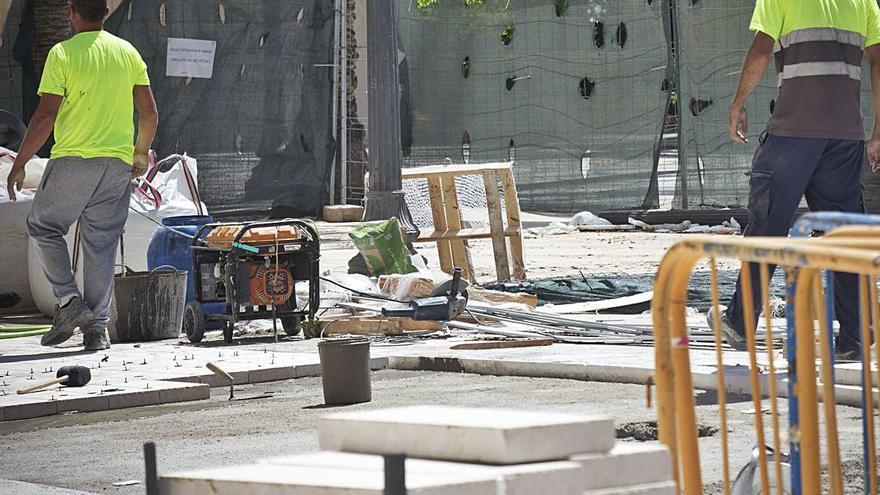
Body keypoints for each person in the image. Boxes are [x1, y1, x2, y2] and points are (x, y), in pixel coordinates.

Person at [708, 0, 880, 360]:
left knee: (766, 228)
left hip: (793, 134)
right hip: (845, 137)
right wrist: (878, 129)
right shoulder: (864, 1)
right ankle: (855, 339)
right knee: (845, 238)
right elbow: (878, 61)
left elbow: (760, 50)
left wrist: (738, 102)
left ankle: (739, 323)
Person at [5, 0, 158, 351]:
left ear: (71, 13)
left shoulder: (62, 54)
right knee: (100, 245)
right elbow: (149, 114)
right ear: (105, 13)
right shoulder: (127, 52)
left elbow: (45, 116)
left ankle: (71, 303)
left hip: (75, 160)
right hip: (116, 165)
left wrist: (20, 162)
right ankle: (97, 330)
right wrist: (138, 154)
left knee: (43, 226)